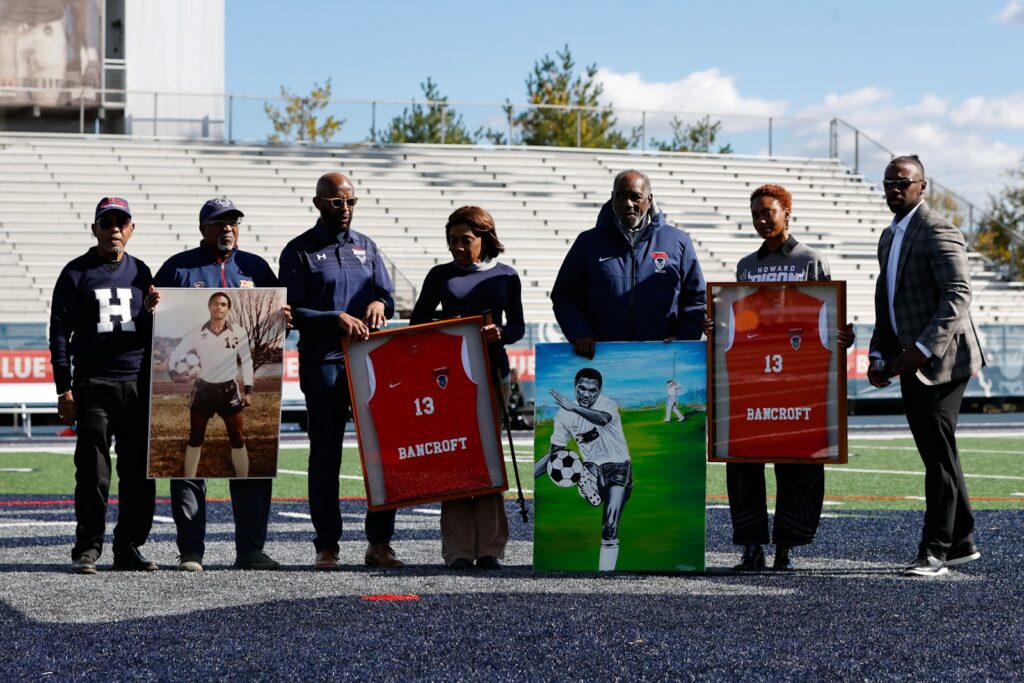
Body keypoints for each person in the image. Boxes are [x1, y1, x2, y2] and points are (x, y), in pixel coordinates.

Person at [717, 184, 855, 572]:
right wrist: (717, 326)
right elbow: (740, 318)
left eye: (769, 212)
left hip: (798, 380)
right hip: (754, 379)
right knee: (744, 461)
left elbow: (828, 315)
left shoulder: (811, 260)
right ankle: (751, 547)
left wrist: (843, 337)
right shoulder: (746, 265)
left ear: (786, 214)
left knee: (797, 462)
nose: (762, 220)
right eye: (756, 214)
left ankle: (786, 548)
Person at [868, 156, 985, 578]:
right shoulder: (889, 236)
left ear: (923, 186)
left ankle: (935, 551)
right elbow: (888, 301)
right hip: (910, 359)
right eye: (889, 182)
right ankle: (961, 541)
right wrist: (879, 354)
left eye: (903, 182)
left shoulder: (937, 228)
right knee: (940, 452)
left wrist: (922, 348)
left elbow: (958, 293)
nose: (895, 189)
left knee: (937, 455)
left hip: (944, 361)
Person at [150, 198, 282, 572]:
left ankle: (250, 549)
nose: (228, 228)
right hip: (203, 388)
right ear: (202, 228)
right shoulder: (178, 268)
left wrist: (283, 317)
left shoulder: (256, 267)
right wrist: (172, 367)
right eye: (219, 222)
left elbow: (262, 341)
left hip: (230, 389)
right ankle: (191, 551)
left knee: (244, 450)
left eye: (233, 222)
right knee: (191, 453)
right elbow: (159, 325)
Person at [279, 172, 402, 570]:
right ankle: (327, 545)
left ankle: (379, 543)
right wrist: (336, 318)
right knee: (325, 455)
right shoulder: (298, 250)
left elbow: (387, 297)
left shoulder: (367, 246)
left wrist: (381, 304)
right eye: (336, 202)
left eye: (351, 201)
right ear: (318, 203)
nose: (345, 208)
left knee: (381, 454)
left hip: (370, 361)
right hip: (324, 363)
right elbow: (290, 312)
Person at [409, 205, 524, 570]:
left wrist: (499, 332)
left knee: (488, 457)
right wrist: (449, 325)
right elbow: (417, 324)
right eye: (452, 240)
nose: (457, 247)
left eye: (466, 240)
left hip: (493, 372)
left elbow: (517, 327)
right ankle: (458, 550)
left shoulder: (507, 276)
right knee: (456, 457)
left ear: (484, 239)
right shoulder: (439, 275)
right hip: (448, 377)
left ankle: (490, 549)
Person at [49, 197, 156, 574]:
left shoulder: (142, 272)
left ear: (131, 229)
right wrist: (63, 387)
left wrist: (152, 313)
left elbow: (151, 331)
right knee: (93, 472)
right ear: (94, 228)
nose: (114, 229)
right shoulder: (75, 273)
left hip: (137, 383)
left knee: (138, 473)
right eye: (106, 223)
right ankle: (88, 547)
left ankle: (128, 547)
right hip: (94, 383)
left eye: (120, 223)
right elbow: (59, 333)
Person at [551, 169, 706, 359]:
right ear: (612, 198)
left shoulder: (678, 242)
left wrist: (683, 338)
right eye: (621, 196)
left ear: (649, 199)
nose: (628, 204)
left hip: (661, 359)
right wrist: (579, 333)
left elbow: (696, 301)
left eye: (635, 197)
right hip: (602, 359)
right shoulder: (587, 243)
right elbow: (564, 296)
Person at [535, 368, 630, 571]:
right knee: (585, 465)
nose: (586, 394)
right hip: (593, 467)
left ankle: (605, 574)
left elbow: (602, 419)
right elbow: (555, 455)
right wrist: (531, 475)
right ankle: (588, 483)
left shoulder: (606, 404)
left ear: (599, 391)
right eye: (582, 388)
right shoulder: (564, 416)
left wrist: (573, 407)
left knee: (610, 527)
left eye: (592, 390)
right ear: (575, 386)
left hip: (619, 469)